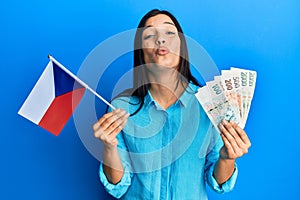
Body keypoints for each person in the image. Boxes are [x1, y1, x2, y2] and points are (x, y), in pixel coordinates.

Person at [93, 9, 251, 200]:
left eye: (169, 32)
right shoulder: (121, 108)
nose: (161, 39)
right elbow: (119, 185)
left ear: (182, 47)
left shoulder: (210, 104)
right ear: (140, 52)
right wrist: (109, 147)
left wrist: (227, 157)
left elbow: (217, 182)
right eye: (150, 35)